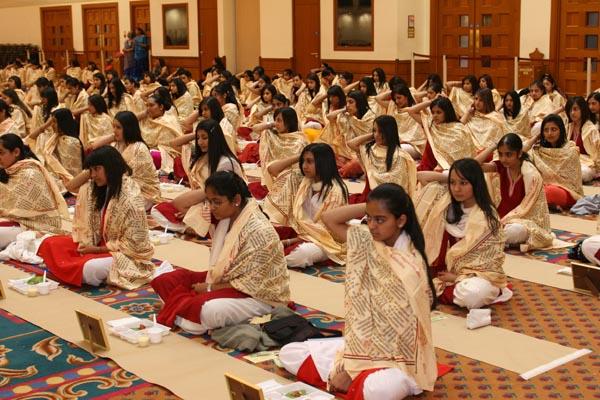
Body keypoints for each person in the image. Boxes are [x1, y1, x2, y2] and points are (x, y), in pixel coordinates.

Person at [280, 183, 437, 399]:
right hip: (364, 343)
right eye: (369, 218)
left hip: (398, 357)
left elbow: (400, 333)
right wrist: (372, 205)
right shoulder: (368, 241)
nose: (372, 226)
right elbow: (329, 219)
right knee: (289, 353)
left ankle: (353, 378)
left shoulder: (410, 266)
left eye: (380, 220)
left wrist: (350, 370)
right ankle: (353, 377)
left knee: (382, 389)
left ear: (401, 220)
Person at [151, 171, 291, 334]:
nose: (211, 207)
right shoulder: (225, 217)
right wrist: (210, 286)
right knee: (165, 280)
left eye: (217, 202)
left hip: (258, 296)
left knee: (209, 310)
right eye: (209, 201)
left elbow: (253, 284)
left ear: (236, 200)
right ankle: (182, 310)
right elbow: (178, 204)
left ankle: (178, 310)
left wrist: (210, 288)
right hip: (225, 278)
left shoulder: (259, 230)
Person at [38, 146, 154, 288]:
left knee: (91, 269)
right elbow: (71, 187)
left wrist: (95, 250)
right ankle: (75, 268)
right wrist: (93, 168)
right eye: (90, 170)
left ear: (111, 167)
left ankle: (75, 269)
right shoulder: (95, 188)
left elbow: (135, 244)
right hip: (95, 243)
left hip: (123, 255)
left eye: (97, 169)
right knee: (49, 243)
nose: (92, 175)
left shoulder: (130, 197)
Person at [415, 158, 512, 309]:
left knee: (474, 295)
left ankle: (444, 289)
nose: (456, 189)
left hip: (476, 276)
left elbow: (489, 262)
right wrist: (447, 177)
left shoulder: (487, 217)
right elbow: (421, 176)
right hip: (440, 271)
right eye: (452, 183)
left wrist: (457, 278)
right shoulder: (444, 202)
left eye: (463, 183)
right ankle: (442, 289)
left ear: (476, 183)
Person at [151, 119, 245, 236]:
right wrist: (195, 134)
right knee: (157, 210)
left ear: (215, 138)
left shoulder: (225, 162)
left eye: (205, 138)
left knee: (180, 206)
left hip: (220, 206)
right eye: (198, 138)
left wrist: (194, 211)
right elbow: (174, 144)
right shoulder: (202, 157)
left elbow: (222, 197)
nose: (200, 142)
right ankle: (189, 228)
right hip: (202, 200)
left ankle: (197, 227)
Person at [264, 143, 348, 267]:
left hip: (325, 241)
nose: (304, 166)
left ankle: (275, 257)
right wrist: (301, 155)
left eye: (310, 161)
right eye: (303, 161)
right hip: (300, 231)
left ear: (323, 163)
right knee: (265, 232)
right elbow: (272, 169)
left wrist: (289, 242)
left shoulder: (335, 191)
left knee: (301, 254)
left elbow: (326, 231)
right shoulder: (302, 179)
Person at [475, 133, 553, 250]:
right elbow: (473, 166)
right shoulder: (501, 166)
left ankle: (485, 240)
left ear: (519, 153)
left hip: (522, 222)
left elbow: (533, 210)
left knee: (517, 231)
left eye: (508, 154)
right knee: (473, 219)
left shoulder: (531, 175)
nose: (503, 159)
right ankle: (492, 239)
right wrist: (493, 146)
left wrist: (506, 222)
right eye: (500, 154)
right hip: (499, 219)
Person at [68, 111, 160, 209]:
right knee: (88, 189)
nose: (114, 130)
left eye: (118, 127)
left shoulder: (139, 148)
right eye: (114, 127)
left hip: (142, 193)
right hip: (119, 186)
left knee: (102, 196)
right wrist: (114, 136)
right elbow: (93, 146)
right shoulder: (117, 145)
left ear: (128, 128)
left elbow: (126, 178)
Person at [0, 134, 69, 248]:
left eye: (1, 153)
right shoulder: (6, 171)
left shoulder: (31, 173)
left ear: (16, 152)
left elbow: (24, 209)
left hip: (31, 224)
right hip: (9, 220)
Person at [347, 115, 417, 203]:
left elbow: (399, 184)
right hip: (369, 196)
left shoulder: (400, 156)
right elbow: (351, 143)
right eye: (374, 131)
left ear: (389, 132)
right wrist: (372, 135)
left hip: (388, 200)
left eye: (381, 131)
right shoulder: (370, 149)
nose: (377, 135)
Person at [524, 114, 583, 209]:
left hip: (566, 191)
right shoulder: (538, 150)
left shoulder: (571, 151)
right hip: (541, 187)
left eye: (554, 129)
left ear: (561, 130)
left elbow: (572, 183)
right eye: (545, 130)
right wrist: (535, 138)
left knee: (549, 192)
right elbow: (519, 154)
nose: (549, 133)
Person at [319, 91, 375, 177]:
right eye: (347, 102)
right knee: (324, 157)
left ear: (359, 102)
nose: (348, 105)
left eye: (351, 102)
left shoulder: (371, 118)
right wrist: (344, 109)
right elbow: (330, 117)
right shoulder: (347, 116)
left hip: (363, 151)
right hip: (346, 151)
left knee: (352, 166)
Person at [410, 97, 474, 171]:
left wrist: (445, 166)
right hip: (435, 167)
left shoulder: (459, 128)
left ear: (447, 112)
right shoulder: (431, 124)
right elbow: (411, 111)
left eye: (439, 112)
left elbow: (464, 154)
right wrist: (431, 101)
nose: (435, 115)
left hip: (454, 168)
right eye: (433, 112)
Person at [27, 108, 83, 191]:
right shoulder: (55, 136)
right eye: (51, 122)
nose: (52, 125)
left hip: (66, 181)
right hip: (54, 176)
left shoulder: (71, 142)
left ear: (62, 123)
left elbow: (68, 172)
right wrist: (46, 124)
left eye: (54, 122)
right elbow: (30, 138)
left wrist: (50, 177)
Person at [138, 93, 183, 173]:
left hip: (163, 155)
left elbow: (169, 148)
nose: (148, 109)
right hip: (144, 151)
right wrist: (143, 114)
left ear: (161, 107)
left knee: (153, 155)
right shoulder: (146, 119)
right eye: (147, 106)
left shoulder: (169, 121)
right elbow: (127, 121)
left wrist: (148, 150)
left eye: (151, 105)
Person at [379, 84, 426, 159]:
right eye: (395, 99)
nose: (397, 101)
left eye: (399, 98)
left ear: (406, 96)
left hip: (413, 145)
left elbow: (416, 134)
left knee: (394, 151)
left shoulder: (415, 109)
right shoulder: (393, 108)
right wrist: (394, 90)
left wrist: (403, 140)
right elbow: (378, 98)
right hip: (396, 142)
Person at [565, 96, 600, 183]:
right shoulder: (568, 126)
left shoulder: (591, 129)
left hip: (587, 164)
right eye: (570, 110)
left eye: (575, 109)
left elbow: (598, 152)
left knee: (584, 173)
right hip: (569, 160)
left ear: (582, 110)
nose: (572, 113)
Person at [461, 88, 507, 153]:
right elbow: (458, 129)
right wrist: (467, 113)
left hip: (489, 152)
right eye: (476, 99)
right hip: (470, 151)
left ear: (487, 102)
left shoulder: (495, 117)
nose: (477, 103)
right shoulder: (471, 114)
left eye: (481, 100)